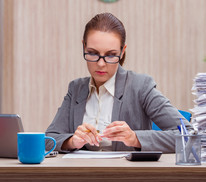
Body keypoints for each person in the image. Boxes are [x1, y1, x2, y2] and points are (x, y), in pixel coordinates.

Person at [45, 12, 192, 153]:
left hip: (126, 176)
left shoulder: (141, 86)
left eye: (111, 55)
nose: (101, 64)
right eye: (93, 53)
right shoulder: (76, 89)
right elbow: (48, 140)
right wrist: (71, 141)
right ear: (84, 47)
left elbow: (189, 136)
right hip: (84, 173)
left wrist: (135, 138)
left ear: (122, 51)